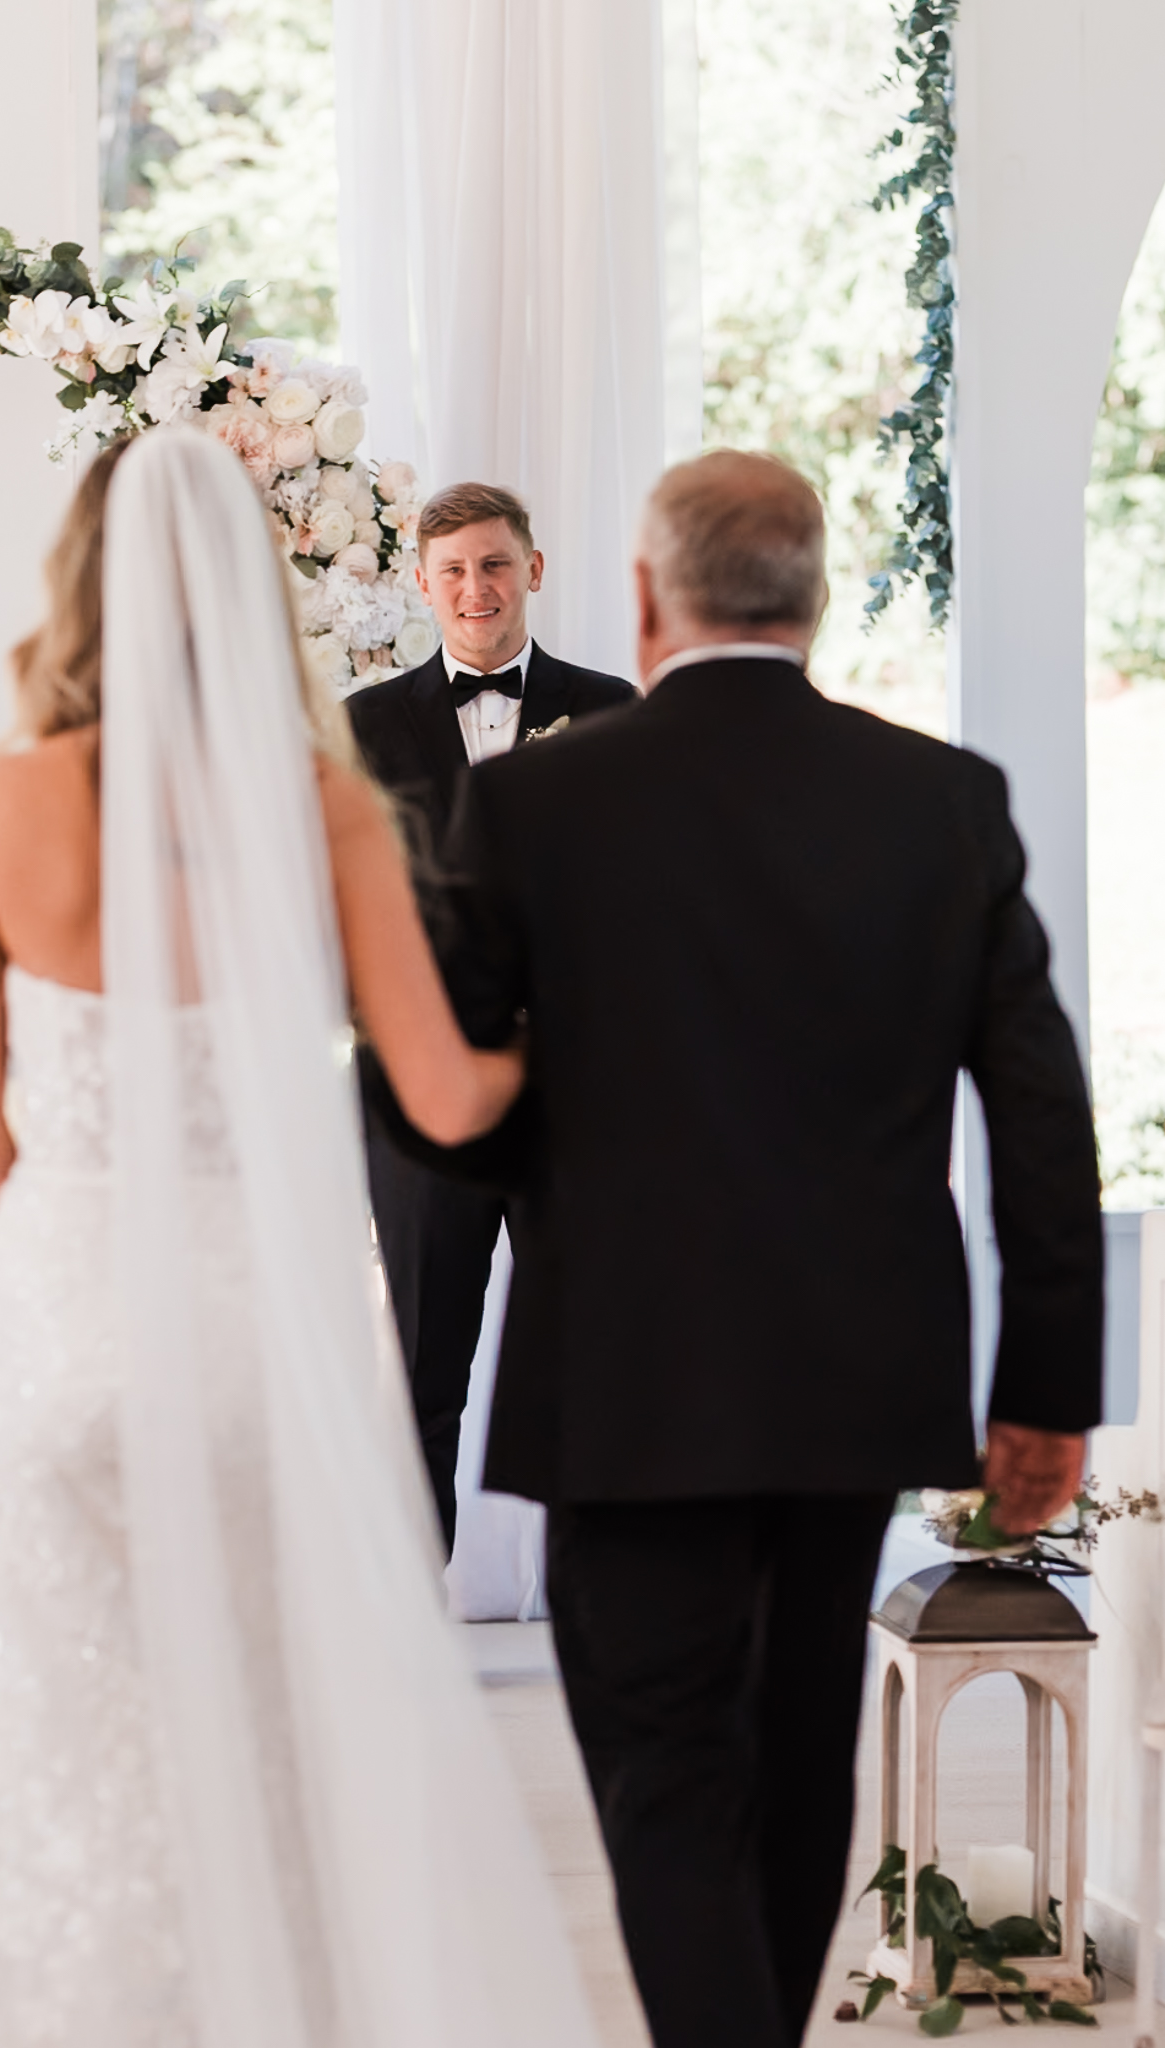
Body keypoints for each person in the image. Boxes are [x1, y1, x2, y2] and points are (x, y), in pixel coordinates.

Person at [371, 450, 1104, 2047]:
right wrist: (1046, 1394)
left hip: (624, 1374)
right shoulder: (939, 801)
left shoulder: (528, 804)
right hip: (854, 1378)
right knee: (791, 1763)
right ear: (815, 595)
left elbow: (437, 1114)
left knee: (660, 1774)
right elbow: (1041, 1115)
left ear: (641, 598)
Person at [0, 429, 601, 2048]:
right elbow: (441, 1094)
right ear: (253, 584)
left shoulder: (0, 799)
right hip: (258, 1342)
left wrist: (89, 1235)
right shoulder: (322, 802)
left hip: (62, 1338)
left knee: (82, 1763)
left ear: (79, 583)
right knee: (280, 1747)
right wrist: (592, 1029)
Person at [347, 482, 633, 1552]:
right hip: (421, 1090)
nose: (476, 587)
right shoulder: (362, 726)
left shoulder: (612, 708)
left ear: (534, 569)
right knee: (424, 1366)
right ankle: (414, 1622)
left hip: (577, 1093)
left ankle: (606, 1604)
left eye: (495, 563)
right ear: (421, 582)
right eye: (454, 568)